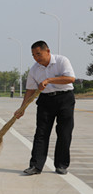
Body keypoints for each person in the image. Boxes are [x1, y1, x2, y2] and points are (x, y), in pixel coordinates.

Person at [14, 40, 75, 176]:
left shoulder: (61, 61)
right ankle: (35, 166)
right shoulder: (34, 69)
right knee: (41, 133)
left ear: (47, 51)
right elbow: (30, 90)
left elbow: (70, 79)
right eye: (33, 56)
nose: (36, 58)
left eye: (38, 54)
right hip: (45, 101)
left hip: (65, 99)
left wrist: (49, 80)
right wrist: (22, 108)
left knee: (64, 132)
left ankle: (61, 165)